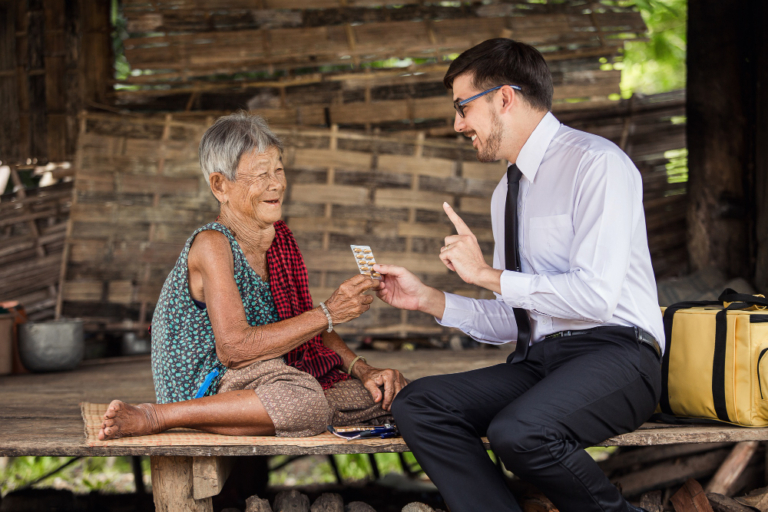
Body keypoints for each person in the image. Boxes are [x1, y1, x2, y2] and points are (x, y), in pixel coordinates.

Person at [374, 38, 663, 512]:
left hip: (620, 357)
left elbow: (594, 298)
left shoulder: (597, 164)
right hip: (542, 360)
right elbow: (517, 318)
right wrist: (428, 299)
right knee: (420, 404)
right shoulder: (505, 194)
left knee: (520, 432)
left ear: (504, 99)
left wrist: (487, 274)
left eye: (463, 107)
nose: (457, 124)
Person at [99, 112, 406, 440]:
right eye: (261, 174)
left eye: (278, 169)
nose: (276, 184)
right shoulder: (212, 244)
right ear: (220, 186)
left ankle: (296, 410)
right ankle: (158, 416)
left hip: (272, 375)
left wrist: (362, 369)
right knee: (303, 400)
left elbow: (305, 325)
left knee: (399, 397)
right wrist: (328, 312)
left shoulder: (278, 238)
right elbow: (232, 350)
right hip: (216, 381)